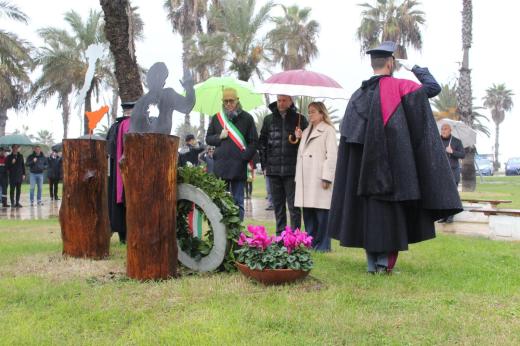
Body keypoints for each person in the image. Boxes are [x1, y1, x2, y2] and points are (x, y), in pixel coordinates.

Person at [328, 41, 462, 274]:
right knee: (390, 216)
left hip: (363, 175)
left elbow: (349, 137)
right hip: (394, 169)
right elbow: (433, 87)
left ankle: (372, 264)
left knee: (369, 214)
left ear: (373, 65)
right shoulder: (401, 86)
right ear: (390, 63)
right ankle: (383, 265)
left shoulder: (357, 95)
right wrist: (416, 68)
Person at [206, 87, 258, 221]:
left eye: (231, 101)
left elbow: (253, 142)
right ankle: (222, 233)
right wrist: (219, 137)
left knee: (238, 202)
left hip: (238, 165)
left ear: (237, 100)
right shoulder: (217, 118)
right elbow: (208, 138)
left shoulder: (247, 118)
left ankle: (238, 233)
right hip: (221, 165)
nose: (228, 104)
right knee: (220, 202)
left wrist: (244, 157)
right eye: (225, 101)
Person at [259, 95, 308, 235]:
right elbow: (262, 143)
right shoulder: (268, 119)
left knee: (294, 206)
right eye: (279, 100)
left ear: (290, 101)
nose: (281, 103)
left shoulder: (300, 119)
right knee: (278, 206)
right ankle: (280, 236)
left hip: (292, 170)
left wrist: (301, 137)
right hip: (273, 170)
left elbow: (307, 145)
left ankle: (296, 237)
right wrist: (264, 165)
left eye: (284, 100)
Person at [294, 102, 338, 252]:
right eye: (309, 112)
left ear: (321, 113)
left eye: (313, 112)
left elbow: (332, 156)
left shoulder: (328, 130)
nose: (310, 115)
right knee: (308, 213)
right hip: (306, 178)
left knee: (322, 213)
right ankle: (311, 243)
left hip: (319, 177)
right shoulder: (306, 131)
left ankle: (324, 245)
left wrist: (327, 177)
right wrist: (299, 137)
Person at [106, 101, 134, 244]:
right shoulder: (129, 125)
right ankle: (128, 235)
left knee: (116, 201)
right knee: (127, 201)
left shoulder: (114, 126)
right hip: (126, 171)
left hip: (114, 172)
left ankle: (122, 236)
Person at [439, 123, 465, 223]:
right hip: (441, 172)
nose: (443, 131)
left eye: (445, 129)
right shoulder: (437, 140)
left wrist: (452, 151)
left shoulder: (456, 141)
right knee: (443, 195)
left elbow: (462, 155)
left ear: (450, 130)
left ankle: (451, 216)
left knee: (452, 195)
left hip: (453, 172)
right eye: (442, 129)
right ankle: (444, 215)